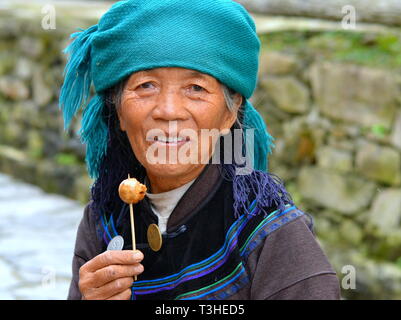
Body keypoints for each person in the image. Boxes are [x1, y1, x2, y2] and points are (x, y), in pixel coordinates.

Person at [60, 0, 341, 300]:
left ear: (229, 114)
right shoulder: (103, 219)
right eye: (146, 86)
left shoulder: (271, 233)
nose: (169, 111)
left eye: (196, 88)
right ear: (118, 113)